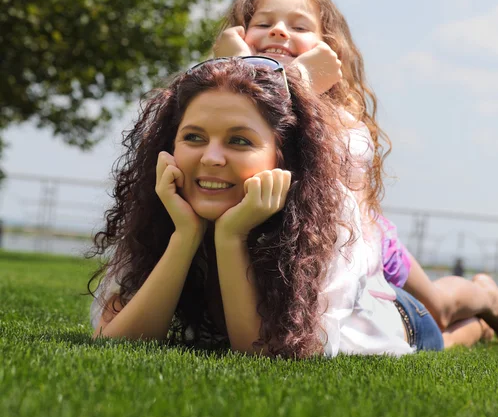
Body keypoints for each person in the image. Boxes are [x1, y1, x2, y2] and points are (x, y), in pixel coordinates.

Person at [88, 58, 492, 356]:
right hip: (369, 311)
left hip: (397, 323)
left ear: (283, 157)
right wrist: (186, 234)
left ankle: (484, 298)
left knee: (444, 319)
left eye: (239, 141)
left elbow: (263, 353)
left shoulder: (327, 219)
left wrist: (231, 237)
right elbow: (118, 339)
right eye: (193, 137)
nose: (210, 158)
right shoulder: (157, 214)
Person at [213, 0, 498, 337]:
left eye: (298, 26)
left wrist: (283, 75)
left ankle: (485, 295)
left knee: (439, 309)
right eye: (264, 23)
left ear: (329, 50)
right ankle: (478, 330)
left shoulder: (336, 114)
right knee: (427, 327)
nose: (280, 32)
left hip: (369, 242)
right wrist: (234, 69)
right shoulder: (221, 104)